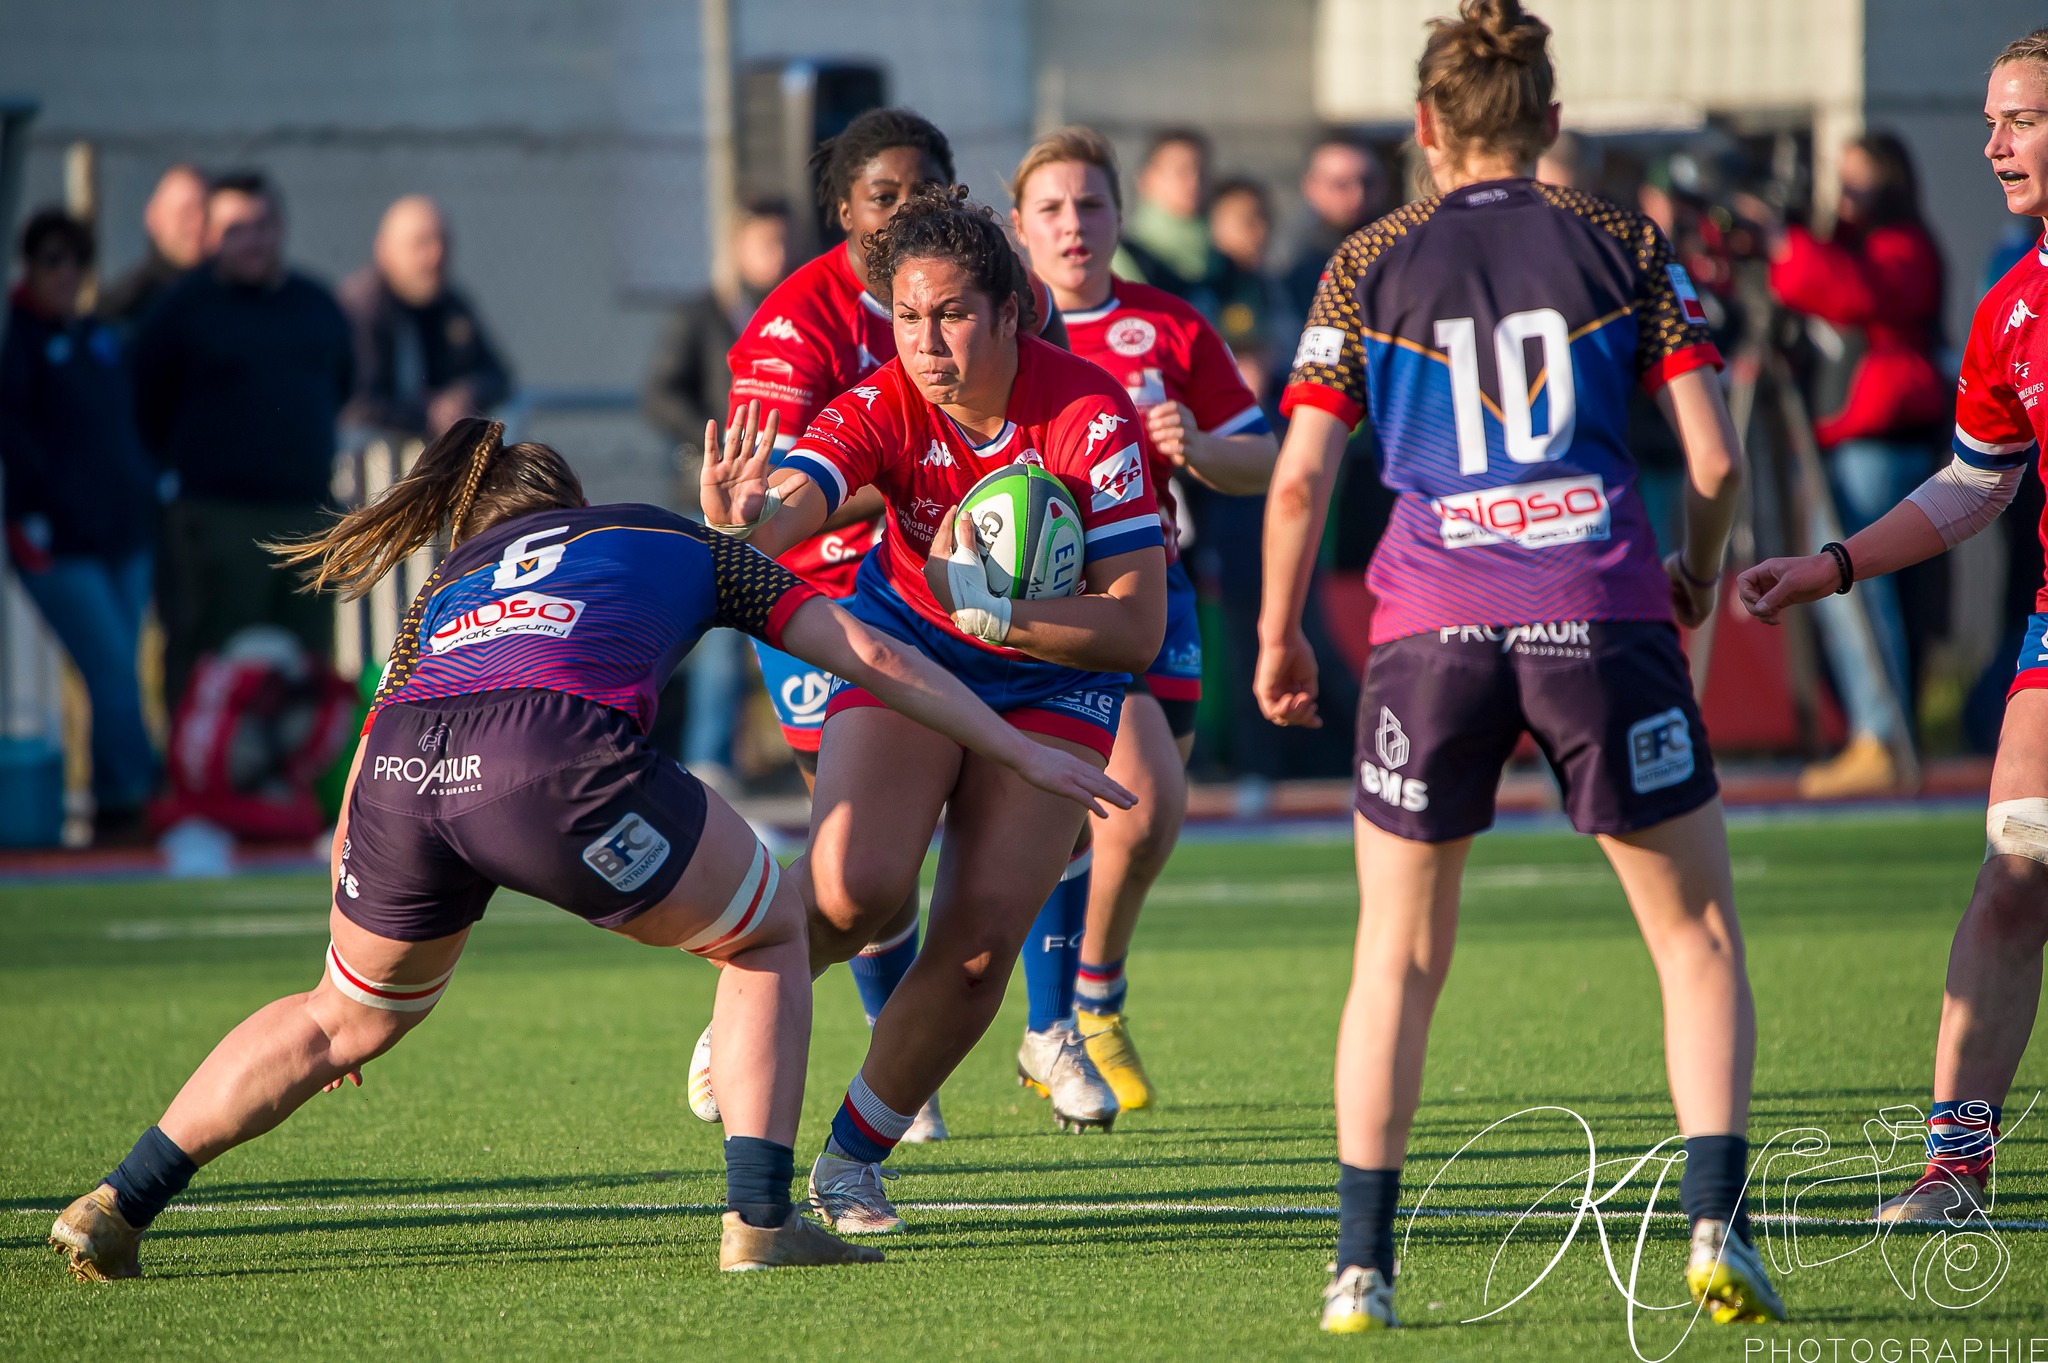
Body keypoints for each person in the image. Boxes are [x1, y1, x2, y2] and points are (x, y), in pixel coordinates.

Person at [44, 415, 1131, 1283]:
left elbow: (379, 738)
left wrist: (357, 932)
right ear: (571, 505)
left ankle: (118, 1198)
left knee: (343, 1013)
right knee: (769, 930)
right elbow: (864, 646)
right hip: (546, 757)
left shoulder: (445, 593)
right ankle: (759, 1219)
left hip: (403, 781)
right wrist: (1008, 747)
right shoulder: (662, 536)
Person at [1256, 0, 1781, 1332]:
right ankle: (1716, 1225)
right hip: (1599, 612)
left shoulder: (1364, 261)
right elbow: (1714, 461)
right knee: (1696, 935)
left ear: (1423, 127)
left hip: (1429, 628)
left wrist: (1275, 633)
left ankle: (1360, 1268)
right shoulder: (1622, 242)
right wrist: (1701, 571)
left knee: (1399, 955)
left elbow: (1302, 472)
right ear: (1551, 121)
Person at [698, 185, 1168, 1233]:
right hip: (908, 650)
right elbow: (797, 503)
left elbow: (1133, 629)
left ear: (1009, 310)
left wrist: (999, 615)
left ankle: (852, 1160)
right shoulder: (878, 402)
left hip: (1053, 682)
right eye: (907, 318)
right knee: (854, 889)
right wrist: (742, 527)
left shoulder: (1089, 415)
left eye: (952, 313)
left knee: (973, 947)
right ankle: (755, 988)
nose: (926, 342)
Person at [691, 109, 1068, 1144]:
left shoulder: (1005, 292)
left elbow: (1053, 422)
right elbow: (789, 489)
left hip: (976, 596)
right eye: (880, 197)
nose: (903, 211)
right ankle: (826, 1021)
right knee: (864, 876)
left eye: (922, 189)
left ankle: (1039, 1027)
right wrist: (900, 490)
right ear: (842, 211)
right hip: (828, 596)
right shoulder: (793, 318)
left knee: (1040, 847)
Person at [1738, 26, 2048, 1229]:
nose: (1989, 143)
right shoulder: (2011, 306)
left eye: (2016, 118)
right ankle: (1952, 1171)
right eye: (1986, 119)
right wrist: (1833, 564)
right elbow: (1975, 483)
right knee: (2014, 876)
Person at [1009, 126, 1276, 1118]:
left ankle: (1084, 998)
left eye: (1089, 206)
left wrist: (1199, 446)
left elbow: (1266, 458)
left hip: (1153, 588)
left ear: (1120, 218)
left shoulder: (1167, 326)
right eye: (1051, 208)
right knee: (1127, 797)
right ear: (1017, 226)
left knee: (1143, 815)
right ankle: (1071, 1011)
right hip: (1045, 606)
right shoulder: (997, 330)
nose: (1072, 226)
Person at [1747, 133, 1949, 798]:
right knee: (1843, 586)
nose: (1847, 197)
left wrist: (1785, 242)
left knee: (1860, 585)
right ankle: (1873, 729)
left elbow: (1850, 293)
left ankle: (1881, 732)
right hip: (1848, 434)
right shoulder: (1859, 244)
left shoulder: (1903, 246)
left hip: (1881, 440)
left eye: (1859, 183)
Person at [133, 170, 354, 705]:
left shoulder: (316, 303)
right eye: (236, 229)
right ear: (211, 235)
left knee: (304, 668)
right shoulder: (182, 308)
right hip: (218, 518)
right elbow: (143, 400)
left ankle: (291, 786)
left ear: (280, 228)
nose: (252, 241)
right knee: (214, 663)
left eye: (261, 226)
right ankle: (201, 782)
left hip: (306, 515)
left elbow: (342, 384)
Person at [0, 210, 161, 838]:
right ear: (30, 266)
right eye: (51, 261)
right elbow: (20, 440)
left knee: (123, 673)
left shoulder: (99, 338)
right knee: (114, 669)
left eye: (75, 261)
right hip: (59, 544)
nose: (64, 274)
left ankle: (119, 800)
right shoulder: (21, 344)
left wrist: (151, 482)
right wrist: (30, 520)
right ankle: (126, 803)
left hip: (121, 534)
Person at [643, 196, 794, 788]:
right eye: (765, 244)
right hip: (707, 492)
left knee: (774, 620)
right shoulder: (700, 314)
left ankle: (779, 754)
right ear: (737, 247)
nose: (777, 257)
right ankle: (707, 761)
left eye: (784, 243)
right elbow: (658, 395)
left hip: (777, 493)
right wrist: (715, 440)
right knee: (717, 632)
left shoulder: (794, 313)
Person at [339, 194, 513, 441]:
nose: (436, 255)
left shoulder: (452, 305)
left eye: (443, 242)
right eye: (421, 243)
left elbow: (497, 376)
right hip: (372, 468)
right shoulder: (360, 309)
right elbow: (354, 403)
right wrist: (428, 415)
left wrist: (465, 396)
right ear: (385, 250)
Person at [1113, 128, 1227, 319]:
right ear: (1146, 179)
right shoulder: (1122, 259)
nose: (1194, 181)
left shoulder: (1224, 264)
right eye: (1181, 171)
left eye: (1202, 170)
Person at [1279, 130, 1390, 325]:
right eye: (1340, 184)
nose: (1358, 195)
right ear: (1310, 186)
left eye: (1367, 182)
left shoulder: (1400, 248)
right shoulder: (1287, 261)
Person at [98, 164, 207, 329]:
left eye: (205, 212)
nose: (197, 224)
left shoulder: (234, 291)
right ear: (153, 218)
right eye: (185, 213)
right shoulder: (129, 304)